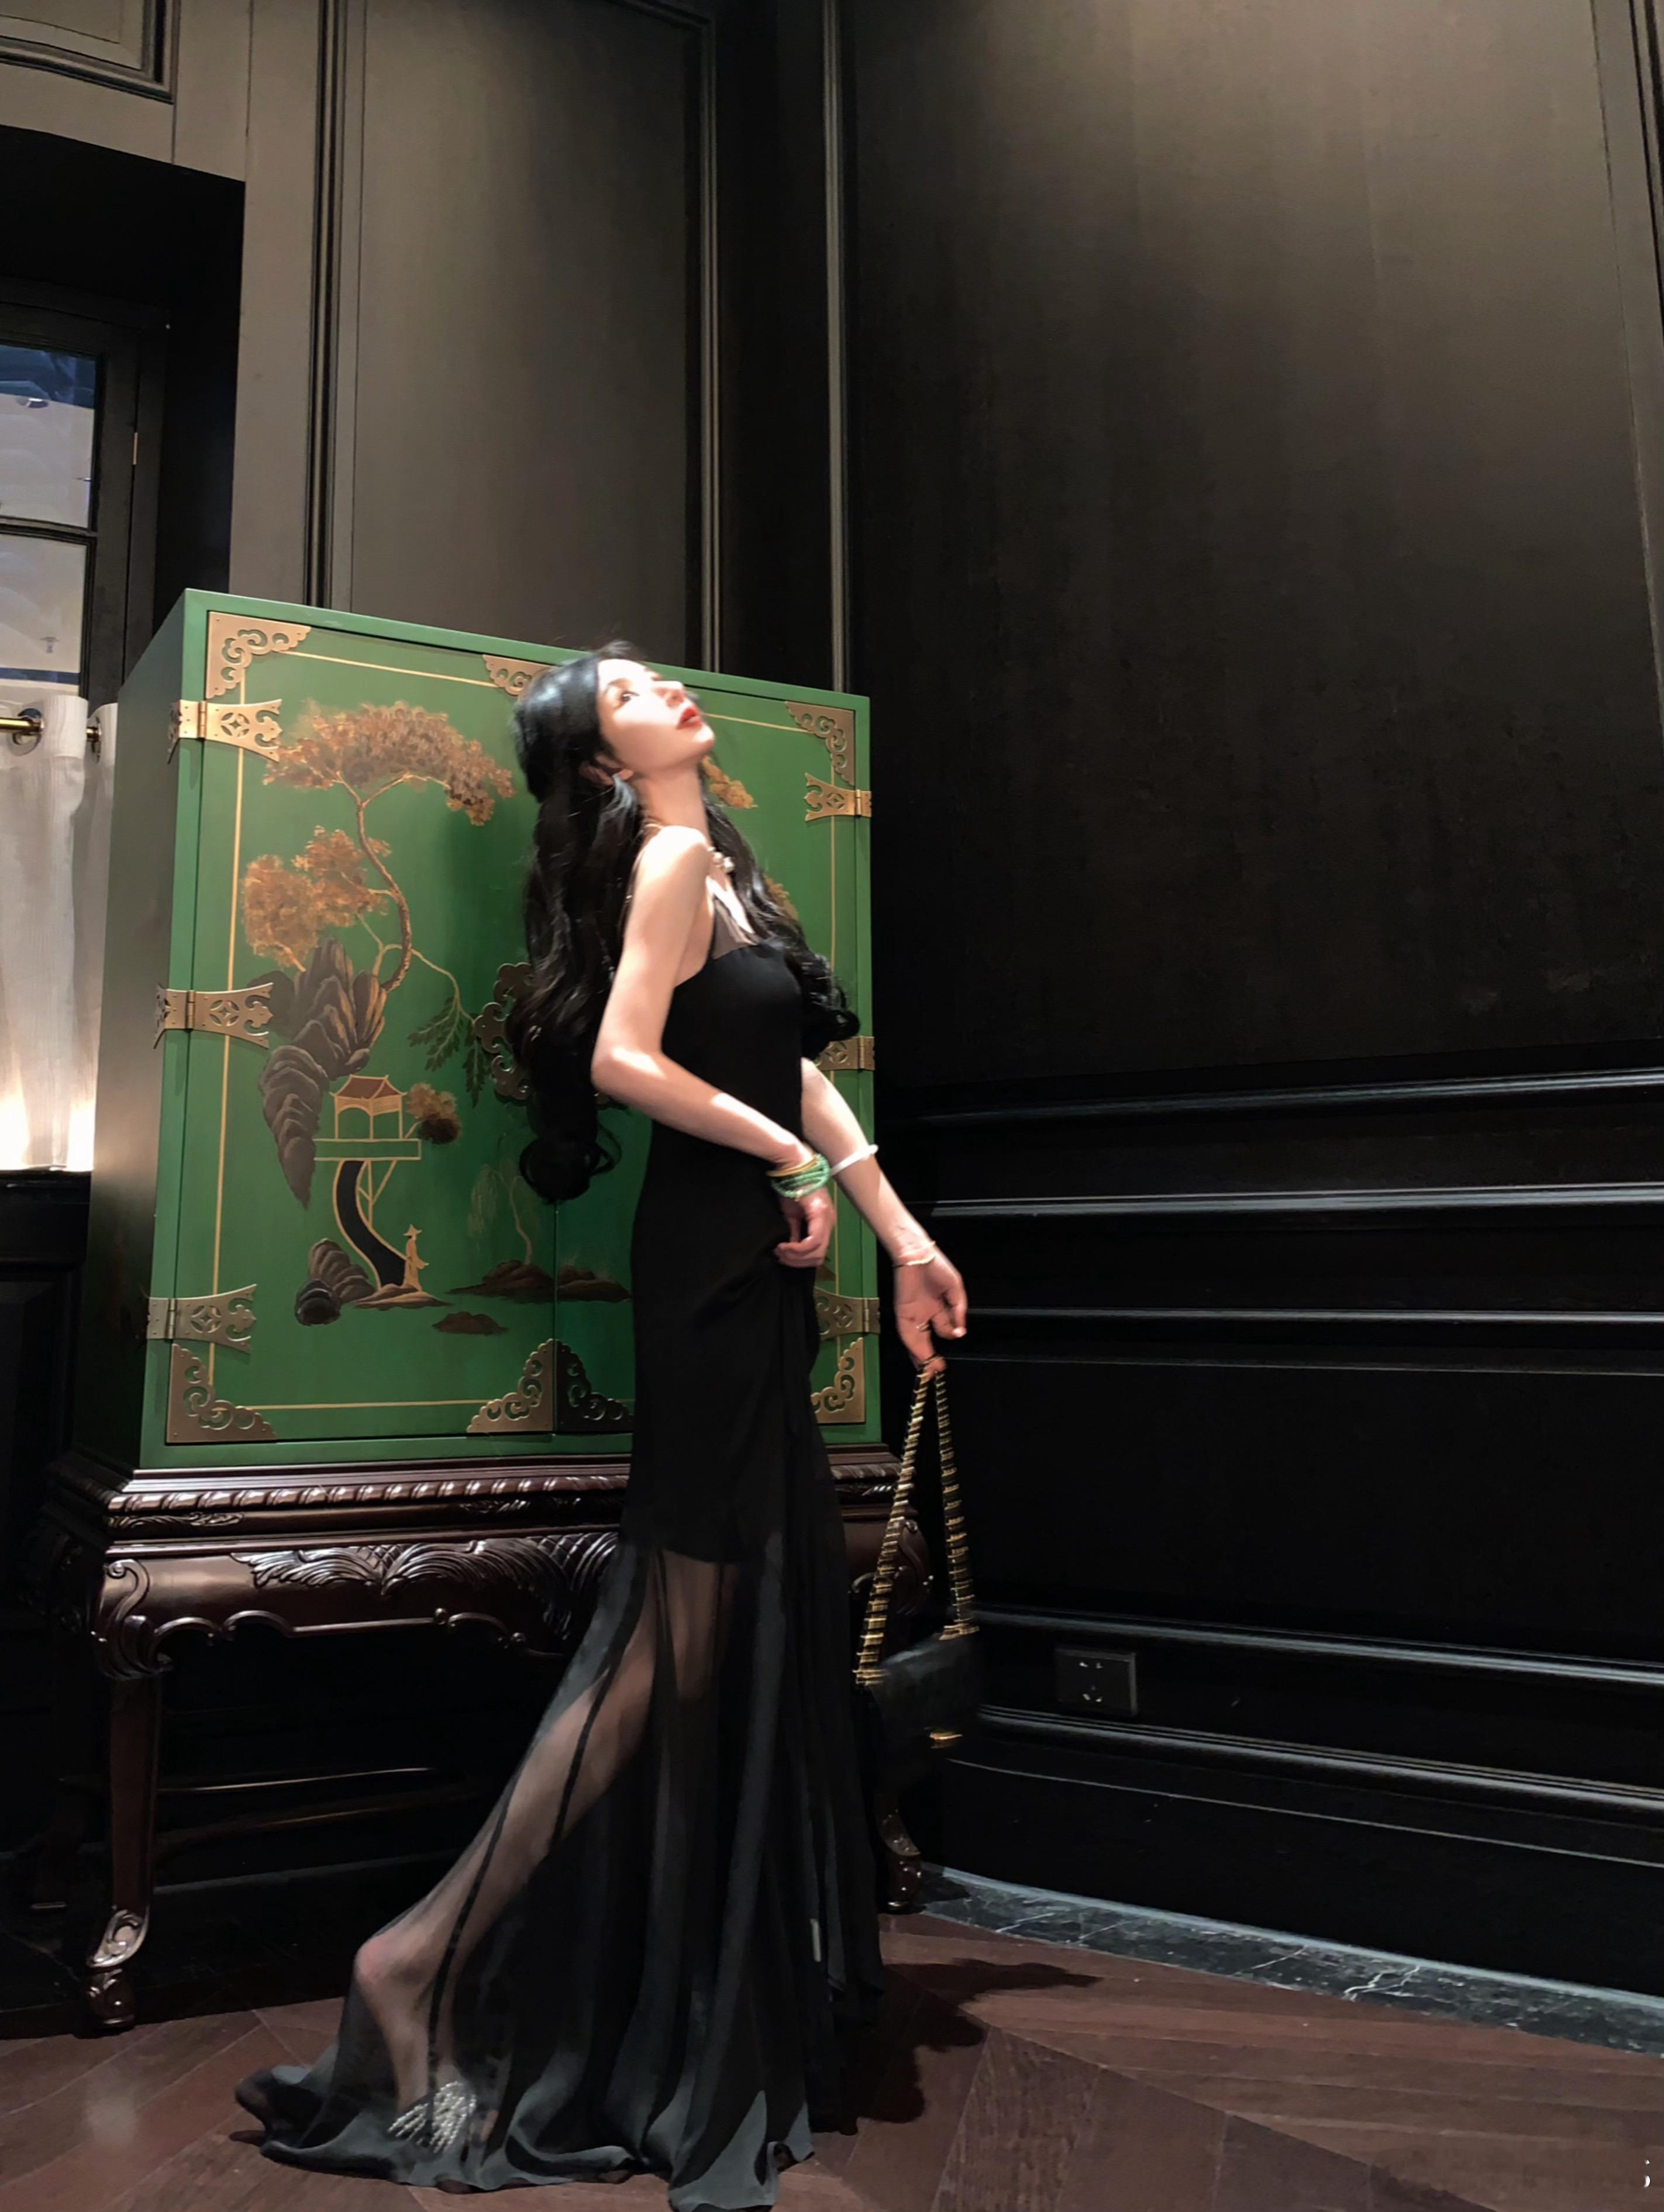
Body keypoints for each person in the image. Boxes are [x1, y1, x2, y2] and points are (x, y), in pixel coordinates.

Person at [234, 646, 969, 2207]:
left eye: (657, 678)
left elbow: (798, 1074)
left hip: (745, 1261)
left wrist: (900, 1235)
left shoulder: (721, 862)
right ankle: (412, 1964)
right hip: (712, 1266)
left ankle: (537, 1973)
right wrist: (783, 1163)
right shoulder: (670, 862)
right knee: (665, 1652)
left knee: (692, 1652)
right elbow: (623, 1061)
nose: (669, 694)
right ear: (595, 761)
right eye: (629, 694)